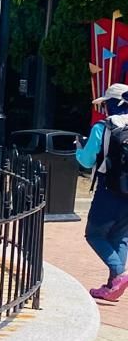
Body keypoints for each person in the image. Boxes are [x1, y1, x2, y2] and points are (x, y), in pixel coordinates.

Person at [77, 82, 128, 302]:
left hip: (108, 191)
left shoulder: (102, 127)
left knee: (95, 234)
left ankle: (120, 274)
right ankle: (113, 285)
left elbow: (87, 160)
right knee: (121, 236)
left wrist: (78, 149)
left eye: (106, 104)